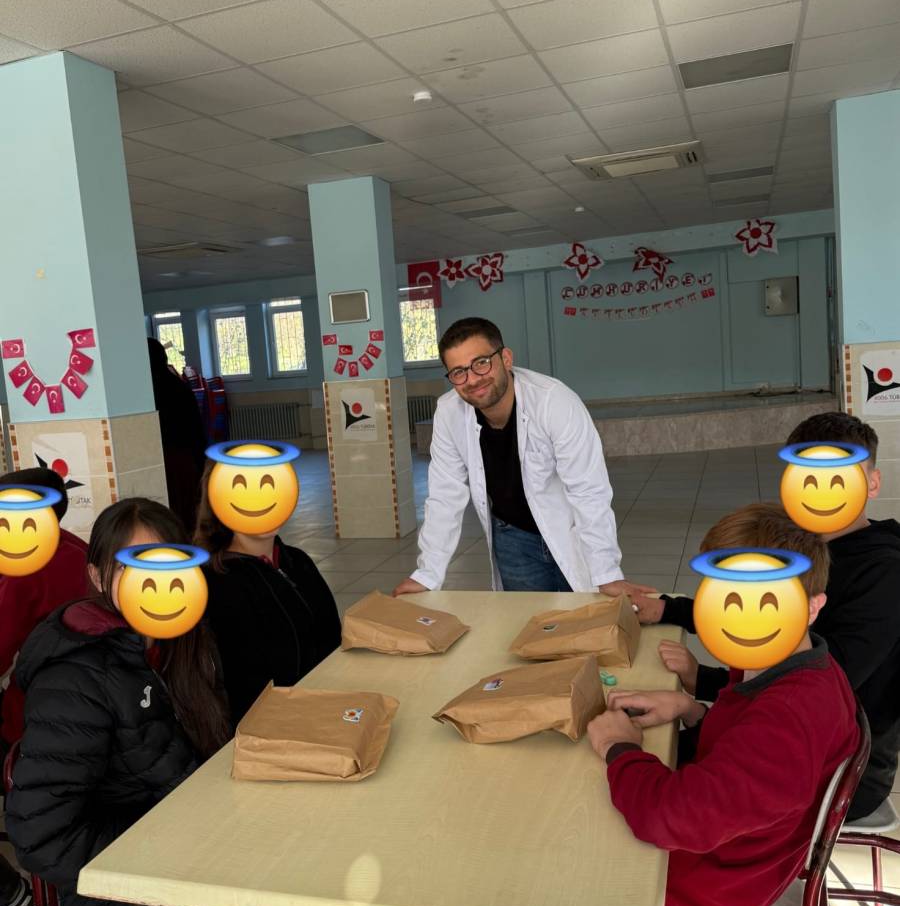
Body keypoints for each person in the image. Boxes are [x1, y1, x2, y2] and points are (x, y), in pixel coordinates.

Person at [6, 497, 443, 906]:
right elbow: (39, 837)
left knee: (342, 903)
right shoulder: (78, 678)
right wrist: (162, 846)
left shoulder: (182, 644)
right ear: (97, 577)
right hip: (129, 903)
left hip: (204, 856)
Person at [430, 503, 859, 906]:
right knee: (532, 830)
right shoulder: (795, 669)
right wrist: (690, 710)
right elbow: (750, 765)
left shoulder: (788, 717)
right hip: (722, 870)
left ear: (814, 606)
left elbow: (673, 818)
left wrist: (620, 750)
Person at [641, 412, 900, 824]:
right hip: (779, 738)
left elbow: (810, 685)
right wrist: (668, 609)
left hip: (838, 774)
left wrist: (701, 683)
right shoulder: (803, 546)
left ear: (871, 483)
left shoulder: (885, 575)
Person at [393, 317, 645, 599]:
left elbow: (588, 491)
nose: (472, 379)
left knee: (584, 616)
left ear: (506, 358)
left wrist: (607, 573)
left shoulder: (554, 402)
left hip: (568, 530)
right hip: (512, 538)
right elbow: (444, 496)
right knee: (528, 620)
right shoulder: (449, 412)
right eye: (458, 372)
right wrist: (427, 574)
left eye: (481, 363)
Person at [0, 465, 89, 906]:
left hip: (43, 723)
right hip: (93, 705)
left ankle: (8, 894)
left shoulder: (27, 566)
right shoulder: (74, 547)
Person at [194, 462, 341, 727]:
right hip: (269, 728)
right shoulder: (214, 583)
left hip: (326, 710)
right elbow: (238, 682)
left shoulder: (298, 561)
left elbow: (332, 638)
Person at [147, 337, 207, 535]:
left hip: (167, 458)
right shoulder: (177, 385)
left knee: (171, 511)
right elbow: (196, 428)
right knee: (186, 510)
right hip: (185, 458)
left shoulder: (149, 390)